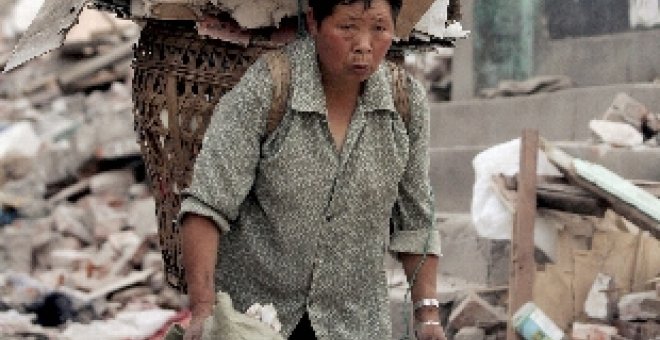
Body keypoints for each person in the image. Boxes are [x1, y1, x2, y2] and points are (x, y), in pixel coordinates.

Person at [178, 0, 446, 339]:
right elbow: (207, 203)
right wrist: (203, 310)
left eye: (379, 28)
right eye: (348, 27)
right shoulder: (269, 87)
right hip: (257, 320)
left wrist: (428, 316)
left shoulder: (405, 104)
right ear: (314, 22)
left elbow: (416, 220)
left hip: (355, 324)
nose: (364, 44)